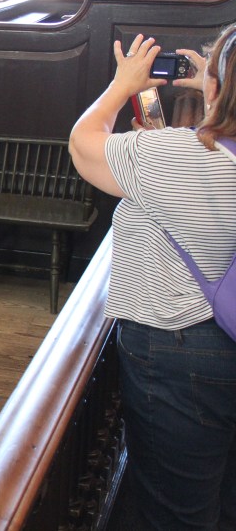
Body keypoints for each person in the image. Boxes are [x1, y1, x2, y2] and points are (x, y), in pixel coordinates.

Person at [69, 28, 236, 530]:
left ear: (219, 88)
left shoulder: (183, 157)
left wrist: (123, 85)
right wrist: (213, 86)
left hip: (182, 348)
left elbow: (84, 145)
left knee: (176, 512)